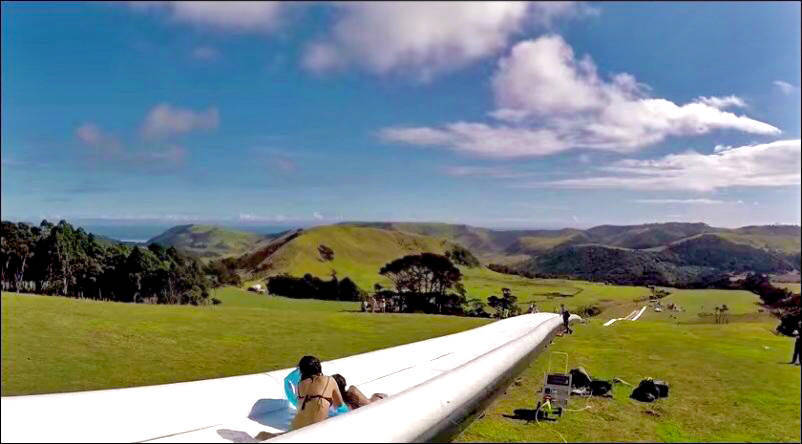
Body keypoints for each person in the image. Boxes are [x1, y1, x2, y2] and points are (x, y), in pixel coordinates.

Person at [290, 355, 345, 430]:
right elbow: (339, 404)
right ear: (319, 367)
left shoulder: (300, 384)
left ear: (302, 371)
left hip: (295, 428)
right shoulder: (329, 380)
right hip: (314, 429)